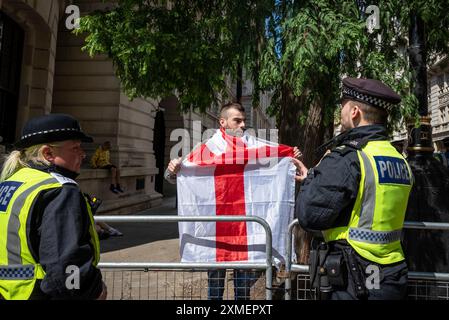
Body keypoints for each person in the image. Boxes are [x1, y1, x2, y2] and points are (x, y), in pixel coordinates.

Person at [165, 102, 301, 300]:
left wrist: (289, 155)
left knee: (242, 294)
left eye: (244, 121)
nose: (243, 125)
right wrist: (173, 168)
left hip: (245, 234)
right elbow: (182, 172)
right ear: (223, 122)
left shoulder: (254, 146)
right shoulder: (207, 148)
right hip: (215, 235)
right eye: (237, 120)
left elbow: (275, 156)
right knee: (214, 292)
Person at [293, 78, 413, 300]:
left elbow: (309, 216)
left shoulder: (347, 158)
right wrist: (314, 175)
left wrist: (314, 178)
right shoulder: (399, 159)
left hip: (353, 279)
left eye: (343, 105)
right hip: (392, 276)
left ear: (355, 111)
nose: (341, 111)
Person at [0, 114, 106, 300]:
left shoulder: (12, 182)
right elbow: (67, 263)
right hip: (40, 293)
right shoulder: (60, 189)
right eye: (75, 147)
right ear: (48, 153)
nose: (83, 154)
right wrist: (92, 291)